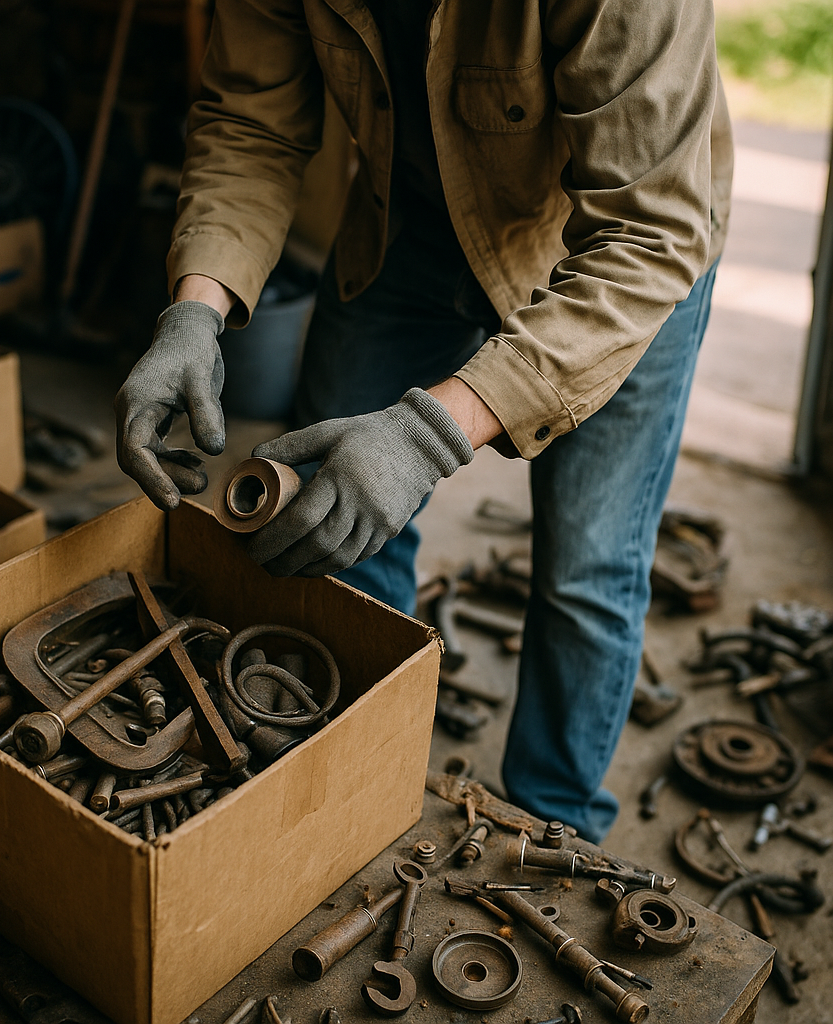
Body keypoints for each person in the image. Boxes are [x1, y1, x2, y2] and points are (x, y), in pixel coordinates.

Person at [115, 0, 733, 842]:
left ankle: (551, 839)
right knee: (331, 518)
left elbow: (651, 230)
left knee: (587, 568)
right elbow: (250, 124)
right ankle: (359, 784)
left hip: (620, 254)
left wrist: (431, 433)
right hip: (407, 222)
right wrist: (194, 308)